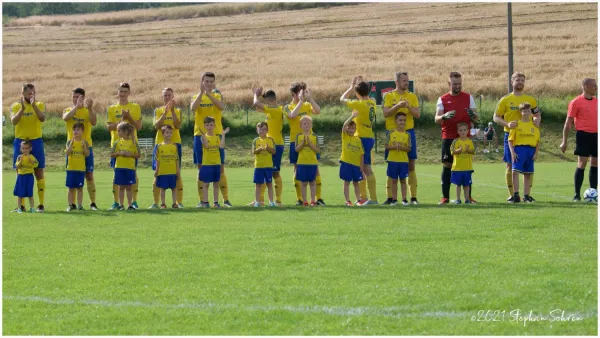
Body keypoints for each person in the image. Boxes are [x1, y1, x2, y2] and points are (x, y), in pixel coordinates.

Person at [493, 72, 541, 203]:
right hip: (511, 136)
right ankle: (513, 195)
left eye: (522, 80)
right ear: (511, 82)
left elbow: (537, 114)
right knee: (510, 166)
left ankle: (527, 195)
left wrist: (537, 120)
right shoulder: (505, 100)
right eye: (517, 80)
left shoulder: (530, 100)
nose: (520, 82)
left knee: (528, 167)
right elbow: (496, 117)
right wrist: (507, 124)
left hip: (527, 137)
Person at [435, 72, 479, 204]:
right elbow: (436, 119)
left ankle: (468, 197)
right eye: (455, 84)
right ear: (449, 84)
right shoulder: (442, 99)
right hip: (448, 136)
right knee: (447, 165)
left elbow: (476, 117)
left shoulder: (468, 97)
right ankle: (445, 197)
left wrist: (473, 115)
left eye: (460, 83)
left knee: (466, 164)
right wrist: (444, 116)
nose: (458, 86)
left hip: (465, 138)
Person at [191, 72, 231, 207]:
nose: (208, 84)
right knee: (201, 168)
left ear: (214, 83)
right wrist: (202, 94)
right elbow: (193, 108)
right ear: (202, 82)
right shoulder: (196, 97)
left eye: (211, 82)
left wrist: (209, 95)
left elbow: (222, 106)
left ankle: (225, 200)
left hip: (217, 135)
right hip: (199, 135)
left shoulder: (217, 95)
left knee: (220, 168)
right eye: (206, 81)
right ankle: (202, 201)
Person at [383, 72, 421, 205]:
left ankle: (413, 197)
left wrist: (408, 106)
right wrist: (398, 106)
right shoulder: (389, 96)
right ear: (397, 82)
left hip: (408, 133)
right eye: (404, 80)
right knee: (391, 164)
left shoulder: (412, 96)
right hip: (391, 133)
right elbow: (385, 113)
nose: (406, 83)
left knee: (411, 164)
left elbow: (417, 115)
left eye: (407, 80)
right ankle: (390, 197)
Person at [284, 82, 324, 206]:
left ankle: (318, 198)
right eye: (300, 92)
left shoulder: (307, 105)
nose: (303, 94)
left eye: (304, 91)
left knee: (315, 169)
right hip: (295, 141)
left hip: (310, 141)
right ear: (293, 94)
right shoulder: (287, 106)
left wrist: (310, 99)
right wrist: (300, 101)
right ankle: (300, 199)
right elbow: (292, 115)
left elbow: (318, 111)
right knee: (297, 170)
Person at [560, 78, 598, 201]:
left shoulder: (597, 102)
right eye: (594, 86)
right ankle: (577, 195)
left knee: (595, 163)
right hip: (583, 135)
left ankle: (594, 193)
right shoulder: (576, 102)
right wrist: (564, 141)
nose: (596, 88)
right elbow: (568, 123)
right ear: (585, 86)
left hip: (596, 135)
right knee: (582, 163)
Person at [10, 83, 46, 212]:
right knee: (20, 171)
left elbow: (42, 118)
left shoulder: (40, 104)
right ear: (23, 94)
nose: (32, 95)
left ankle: (41, 204)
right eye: (30, 93)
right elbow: (14, 121)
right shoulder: (15, 106)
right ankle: (22, 206)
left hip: (36, 140)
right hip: (20, 141)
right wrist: (22, 109)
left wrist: (34, 105)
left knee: (39, 171)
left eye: (34, 93)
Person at [106, 82, 142, 210]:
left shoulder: (135, 107)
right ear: (117, 92)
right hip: (117, 146)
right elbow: (109, 127)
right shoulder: (111, 108)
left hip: (131, 146)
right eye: (120, 91)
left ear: (129, 93)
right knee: (116, 175)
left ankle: (134, 202)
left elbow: (138, 126)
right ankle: (116, 202)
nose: (122, 94)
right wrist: (121, 120)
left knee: (133, 174)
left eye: (125, 91)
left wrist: (129, 117)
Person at [340, 76, 376, 205]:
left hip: (362, 137)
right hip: (369, 135)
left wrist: (350, 87)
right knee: (364, 168)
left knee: (365, 168)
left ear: (357, 93)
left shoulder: (359, 104)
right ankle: (364, 198)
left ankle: (370, 198)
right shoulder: (372, 102)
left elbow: (342, 99)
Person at [63, 87, 98, 210]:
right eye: (74, 97)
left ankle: (93, 203)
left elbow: (94, 122)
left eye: (78, 97)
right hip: (72, 146)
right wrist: (76, 107)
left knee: (89, 175)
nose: (75, 99)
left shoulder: (88, 110)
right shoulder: (68, 109)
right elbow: (66, 118)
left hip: (86, 145)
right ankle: (71, 204)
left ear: (83, 97)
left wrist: (89, 108)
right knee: (71, 175)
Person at [150, 88, 184, 209]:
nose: (167, 98)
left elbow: (178, 125)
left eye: (169, 95)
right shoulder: (158, 110)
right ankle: (156, 203)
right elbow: (157, 126)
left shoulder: (178, 110)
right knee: (157, 174)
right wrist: (164, 113)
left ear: (173, 97)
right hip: (160, 145)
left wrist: (172, 111)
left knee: (177, 174)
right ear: (162, 97)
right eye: (165, 95)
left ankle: (178, 203)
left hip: (175, 145)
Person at [252, 86, 284, 206]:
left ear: (270, 101)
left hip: (276, 144)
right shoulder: (271, 110)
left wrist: (256, 95)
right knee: (265, 171)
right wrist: (259, 97)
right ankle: (260, 200)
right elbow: (257, 107)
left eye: (265, 102)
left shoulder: (276, 110)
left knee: (274, 173)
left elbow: (256, 102)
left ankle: (278, 200)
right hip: (268, 142)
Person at [508, 103, 540, 203]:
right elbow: (510, 140)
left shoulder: (534, 125)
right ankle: (516, 195)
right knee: (515, 172)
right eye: (524, 111)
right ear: (520, 112)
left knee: (528, 174)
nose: (526, 113)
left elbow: (538, 141)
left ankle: (526, 196)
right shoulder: (516, 124)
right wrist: (512, 152)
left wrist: (536, 153)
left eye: (528, 111)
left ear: (531, 112)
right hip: (519, 150)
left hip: (530, 150)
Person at [198, 117, 230, 208]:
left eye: (211, 125)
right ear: (204, 126)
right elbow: (206, 146)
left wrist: (223, 135)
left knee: (216, 184)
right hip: (207, 164)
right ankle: (205, 202)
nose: (209, 127)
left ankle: (216, 203)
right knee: (206, 184)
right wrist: (203, 135)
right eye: (207, 125)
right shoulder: (203, 137)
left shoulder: (217, 137)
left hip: (216, 164)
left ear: (214, 126)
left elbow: (222, 147)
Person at [110, 122, 140, 211]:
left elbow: (138, 155)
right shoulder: (117, 142)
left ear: (126, 131)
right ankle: (121, 205)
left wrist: (130, 154)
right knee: (121, 187)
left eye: (119, 131)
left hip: (130, 168)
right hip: (119, 167)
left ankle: (130, 205)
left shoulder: (133, 142)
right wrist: (119, 153)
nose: (117, 133)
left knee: (129, 187)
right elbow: (112, 154)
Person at [339, 111, 365, 206]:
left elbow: (362, 153)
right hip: (346, 163)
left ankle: (358, 200)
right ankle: (348, 201)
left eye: (352, 128)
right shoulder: (345, 137)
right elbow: (344, 125)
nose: (350, 130)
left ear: (355, 129)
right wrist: (352, 116)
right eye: (349, 128)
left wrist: (361, 165)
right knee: (347, 182)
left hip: (356, 165)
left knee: (356, 183)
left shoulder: (358, 140)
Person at [385, 113, 411, 206]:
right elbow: (386, 146)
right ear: (396, 121)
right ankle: (394, 200)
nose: (402, 122)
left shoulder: (407, 134)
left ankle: (404, 199)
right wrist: (395, 146)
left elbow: (409, 148)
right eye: (400, 120)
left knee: (403, 180)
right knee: (394, 181)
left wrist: (402, 148)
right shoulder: (391, 133)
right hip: (393, 161)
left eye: (404, 120)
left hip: (403, 161)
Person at [295, 115, 320, 206]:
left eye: (308, 123)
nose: (307, 125)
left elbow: (318, 150)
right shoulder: (298, 136)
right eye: (304, 124)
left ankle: (313, 200)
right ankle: (305, 201)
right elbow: (296, 150)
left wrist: (310, 144)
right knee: (304, 182)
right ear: (301, 126)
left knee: (312, 182)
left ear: (311, 125)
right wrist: (303, 143)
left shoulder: (314, 137)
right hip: (302, 163)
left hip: (312, 162)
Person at [65, 122, 90, 211]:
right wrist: (71, 146)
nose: (76, 131)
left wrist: (83, 148)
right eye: (74, 130)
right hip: (71, 169)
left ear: (82, 131)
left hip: (80, 169)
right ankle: (70, 205)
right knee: (71, 188)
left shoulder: (85, 142)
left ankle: (80, 205)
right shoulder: (69, 142)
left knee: (80, 188)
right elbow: (67, 154)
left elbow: (87, 154)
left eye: (78, 130)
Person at [154, 125, 180, 209]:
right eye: (167, 133)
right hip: (162, 172)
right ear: (163, 134)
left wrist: (178, 171)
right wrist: (156, 171)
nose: (169, 134)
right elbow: (157, 160)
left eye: (170, 133)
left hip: (172, 171)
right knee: (163, 189)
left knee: (174, 188)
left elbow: (177, 160)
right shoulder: (159, 146)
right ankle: (163, 204)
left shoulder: (174, 146)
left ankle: (174, 203)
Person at [251, 122, 276, 207]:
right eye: (260, 129)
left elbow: (274, 152)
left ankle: (271, 202)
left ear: (267, 130)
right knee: (258, 185)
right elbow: (253, 152)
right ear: (257, 130)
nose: (262, 131)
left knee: (269, 184)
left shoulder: (271, 140)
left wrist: (268, 148)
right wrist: (260, 149)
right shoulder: (255, 140)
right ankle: (257, 202)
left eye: (264, 129)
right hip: (258, 166)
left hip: (268, 166)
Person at [450, 123, 475, 204]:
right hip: (457, 168)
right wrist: (458, 151)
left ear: (467, 131)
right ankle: (458, 199)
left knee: (466, 185)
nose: (463, 132)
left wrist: (468, 150)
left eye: (464, 130)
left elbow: (473, 151)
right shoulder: (456, 141)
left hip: (467, 167)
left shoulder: (470, 141)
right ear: (458, 131)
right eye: (460, 130)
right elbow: (452, 151)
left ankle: (467, 199)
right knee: (458, 184)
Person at [12, 140, 38, 213]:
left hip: (29, 177)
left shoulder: (32, 157)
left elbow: (36, 164)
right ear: (21, 149)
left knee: (30, 193)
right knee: (20, 194)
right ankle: (19, 208)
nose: (25, 150)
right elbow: (17, 166)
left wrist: (32, 162)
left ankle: (32, 208)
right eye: (23, 148)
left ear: (30, 149)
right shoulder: (19, 157)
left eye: (26, 148)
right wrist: (20, 161)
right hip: (21, 177)